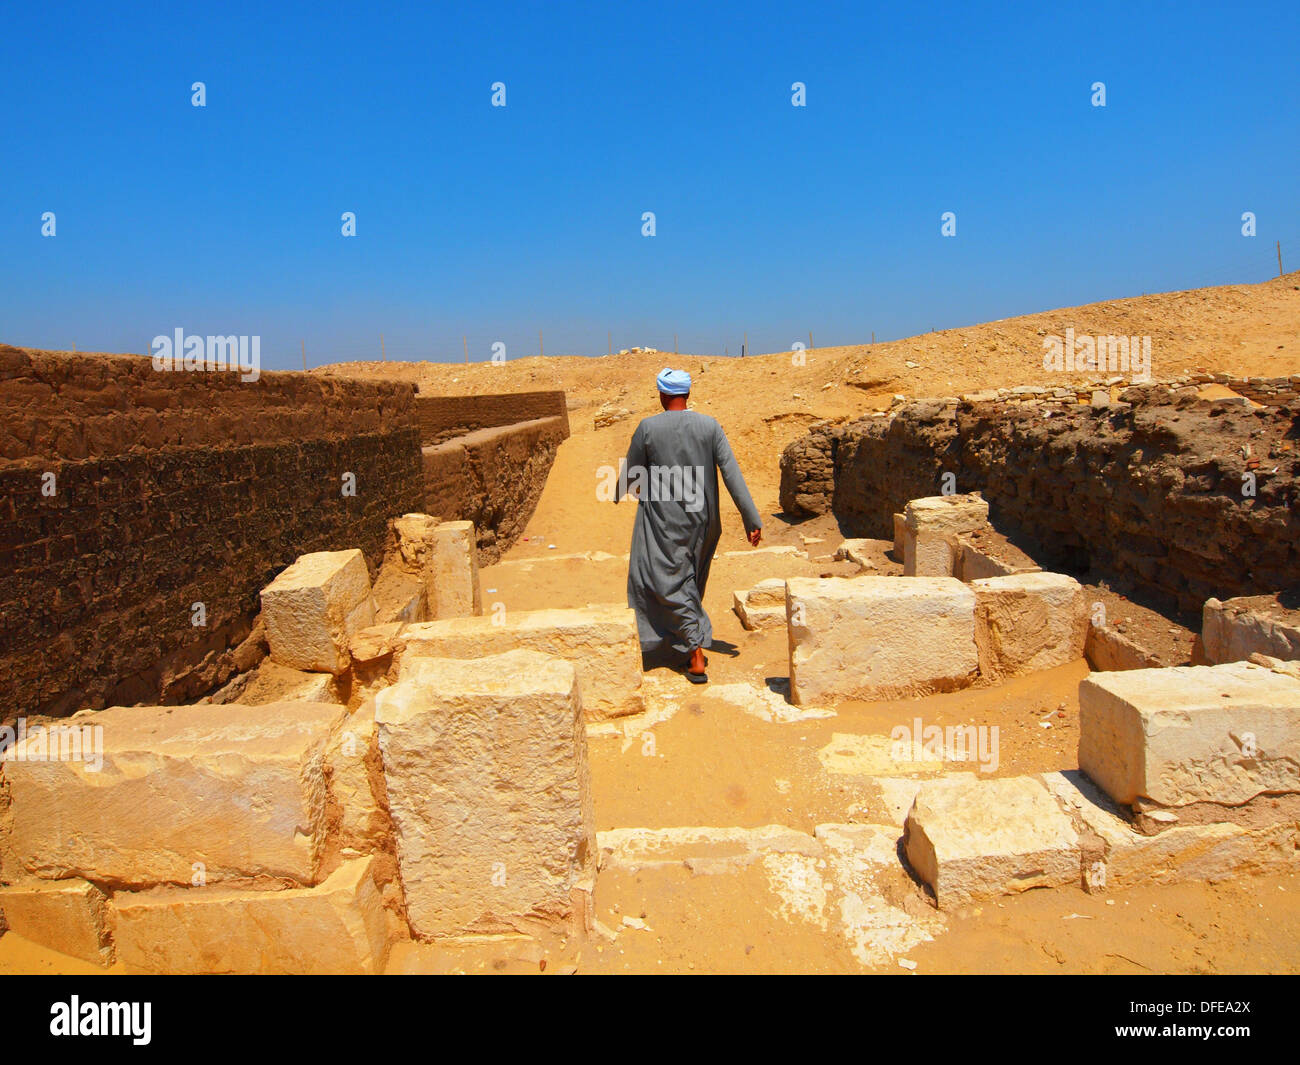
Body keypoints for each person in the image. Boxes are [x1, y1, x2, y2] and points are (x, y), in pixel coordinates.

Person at [619, 367, 762, 683]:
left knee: (664, 579)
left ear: (662, 394)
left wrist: (622, 489)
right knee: (687, 578)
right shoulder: (709, 426)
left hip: (663, 520)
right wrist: (751, 518)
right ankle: (684, 641)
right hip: (703, 520)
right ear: (687, 393)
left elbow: (630, 473)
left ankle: (695, 653)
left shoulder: (648, 427)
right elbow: (731, 473)